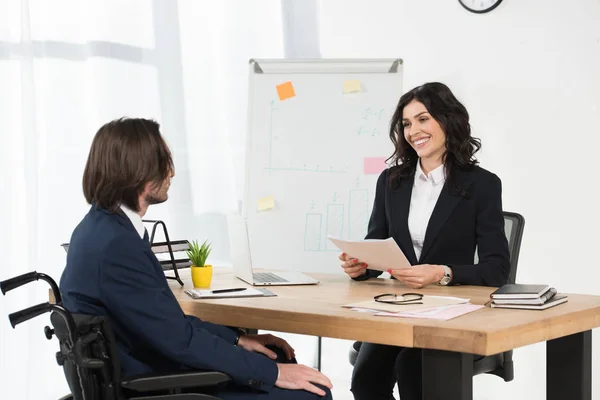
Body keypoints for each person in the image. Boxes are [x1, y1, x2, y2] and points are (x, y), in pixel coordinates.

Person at [59, 118, 333, 400]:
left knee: (279, 360)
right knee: (314, 393)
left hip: (147, 369)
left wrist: (239, 339)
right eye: (164, 162)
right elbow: (178, 339)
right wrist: (273, 374)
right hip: (150, 383)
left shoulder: (101, 228)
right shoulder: (116, 245)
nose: (172, 173)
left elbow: (169, 324)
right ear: (138, 170)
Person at [340, 82, 510, 400]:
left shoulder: (482, 185)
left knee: (412, 368)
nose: (413, 130)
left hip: (453, 312)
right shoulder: (392, 181)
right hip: (399, 309)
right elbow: (377, 246)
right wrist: (360, 266)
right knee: (366, 381)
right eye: (406, 123)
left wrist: (442, 272)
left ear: (447, 120)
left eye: (423, 119)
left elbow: (497, 268)